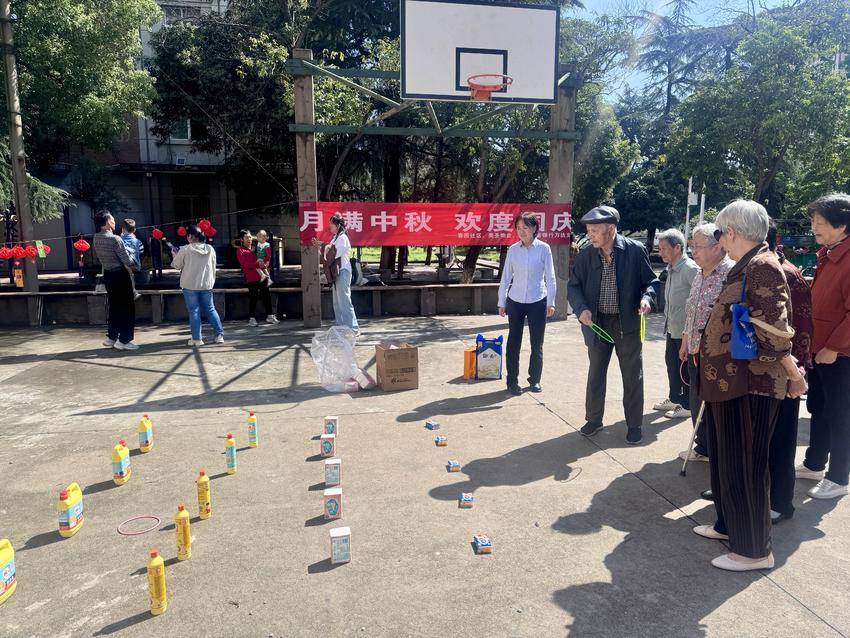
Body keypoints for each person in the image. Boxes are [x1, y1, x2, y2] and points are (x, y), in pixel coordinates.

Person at [694, 200, 805, 572]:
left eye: (720, 233)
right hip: (729, 383)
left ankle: (754, 550)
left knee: (746, 465)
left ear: (731, 232)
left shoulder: (762, 266)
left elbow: (775, 331)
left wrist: (794, 374)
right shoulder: (747, 264)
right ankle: (728, 526)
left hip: (751, 384)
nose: (720, 240)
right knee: (727, 460)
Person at [567, 205, 660, 444]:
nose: (590, 235)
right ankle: (593, 419)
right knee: (596, 373)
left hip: (626, 323)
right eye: (588, 230)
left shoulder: (634, 251)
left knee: (632, 375)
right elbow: (574, 287)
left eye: (594, 230)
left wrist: (647, 299)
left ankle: (634, 424)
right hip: (597, 323)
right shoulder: (587, 255)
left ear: (610, 229)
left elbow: (651, 282)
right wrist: (581, 308)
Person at [798, 193, 850, 500]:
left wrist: (834, 346)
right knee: (818, 406)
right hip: (819, 350)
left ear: (841, 225)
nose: (814, 227)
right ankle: (814, 463)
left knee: (840, 414)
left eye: (820, 222)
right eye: (813, 221)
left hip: (839, 354)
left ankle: (839, 476)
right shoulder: (828, 254)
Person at [765, 219, 813, 521]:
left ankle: (781, 502)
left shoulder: (788, 275)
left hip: (784, 371)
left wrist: (797, 373)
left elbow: (802, 329)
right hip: (759, 371)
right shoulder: (754, 269)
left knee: (781, 439)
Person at [677, 223, 734, 463]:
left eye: (698, 246)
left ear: (717, 247)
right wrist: (685, 340)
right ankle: (703, 446)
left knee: (715, 404)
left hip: (717, 354)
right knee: (696, 399)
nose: (693, 251)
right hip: (694, 350)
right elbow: (692, 311)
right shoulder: (700, 273)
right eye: (692, 246)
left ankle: (719, 450)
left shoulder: (731, 273)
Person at [497, 213, 556, 395]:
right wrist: (501, 301)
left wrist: (551, 302)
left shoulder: (544, 249)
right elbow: (506, 277)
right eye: (518, 228)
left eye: (525, 227)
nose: (521, 231)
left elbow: (550, 277)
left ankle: (534, 379)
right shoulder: (513, 250)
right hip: (515, 301)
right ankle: (512, 381)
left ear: (534, 228)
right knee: (513, 342)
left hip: (538, 300)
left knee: (537, 343)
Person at [653, 229, 699, 419]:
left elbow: (697, 301)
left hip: (685, 331)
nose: (660, 252)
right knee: (672, 365)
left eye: (664, 248)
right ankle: (675, 398)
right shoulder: (671, 268)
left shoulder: (690, 269)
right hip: (672, 327)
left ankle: (687, 405)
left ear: (677, 248)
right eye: (659, 248)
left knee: (684, 369)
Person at [92, 209, 138, 350]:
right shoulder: (115, 239)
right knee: (127, 308)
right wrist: (133, 255)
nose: (114, 221)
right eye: (112, 219)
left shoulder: (96, 237)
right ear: (106, 223)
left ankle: (112, 337)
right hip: (120, 275)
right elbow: (128, 261)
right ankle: (124, 340)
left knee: (114, 307)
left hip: (108, 275)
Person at [171, 225, 224, 347]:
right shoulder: (210, 248)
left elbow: (176, 265)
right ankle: (219, 335)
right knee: (211, 309)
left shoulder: (185, 249)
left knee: (194, 311)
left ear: (190, 236)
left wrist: (174, 255)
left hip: (189, 285)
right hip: (206, 284)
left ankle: (197, 339)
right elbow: (214, 265)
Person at [313, 214, 359, 332]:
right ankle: (342, 327)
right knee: (337, 302)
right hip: (336, 273)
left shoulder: (342, 238)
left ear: (338, 226)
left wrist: (323, 246)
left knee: (344, 300)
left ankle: (353, 328)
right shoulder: (335, 238)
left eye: (331, 224)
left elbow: (333, 254)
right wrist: (320, 247)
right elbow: (327, 255)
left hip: (342, 271)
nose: (330, 227)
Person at [237, 229, 278, 327]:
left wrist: (265, 264)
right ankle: (252, 318)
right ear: (241, 239)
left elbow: (265, 258)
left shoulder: (256, 248)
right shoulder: (240, 250)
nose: (249, 239)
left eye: (250, 237)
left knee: (266, 295)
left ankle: (270, 315)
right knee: (253, 297)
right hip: (251, 278)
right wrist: (257, 265)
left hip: (262, 276)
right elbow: (244, 265)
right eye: (247, 237)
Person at [120, 218, 143, 300]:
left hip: (123, 265)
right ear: (134, 230)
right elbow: (141, 251)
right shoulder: (138, 241)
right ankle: (133, 292)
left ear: (122, 229)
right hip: (135, 265)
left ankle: (132, 292)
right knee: (129, 274)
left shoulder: (119, 240)